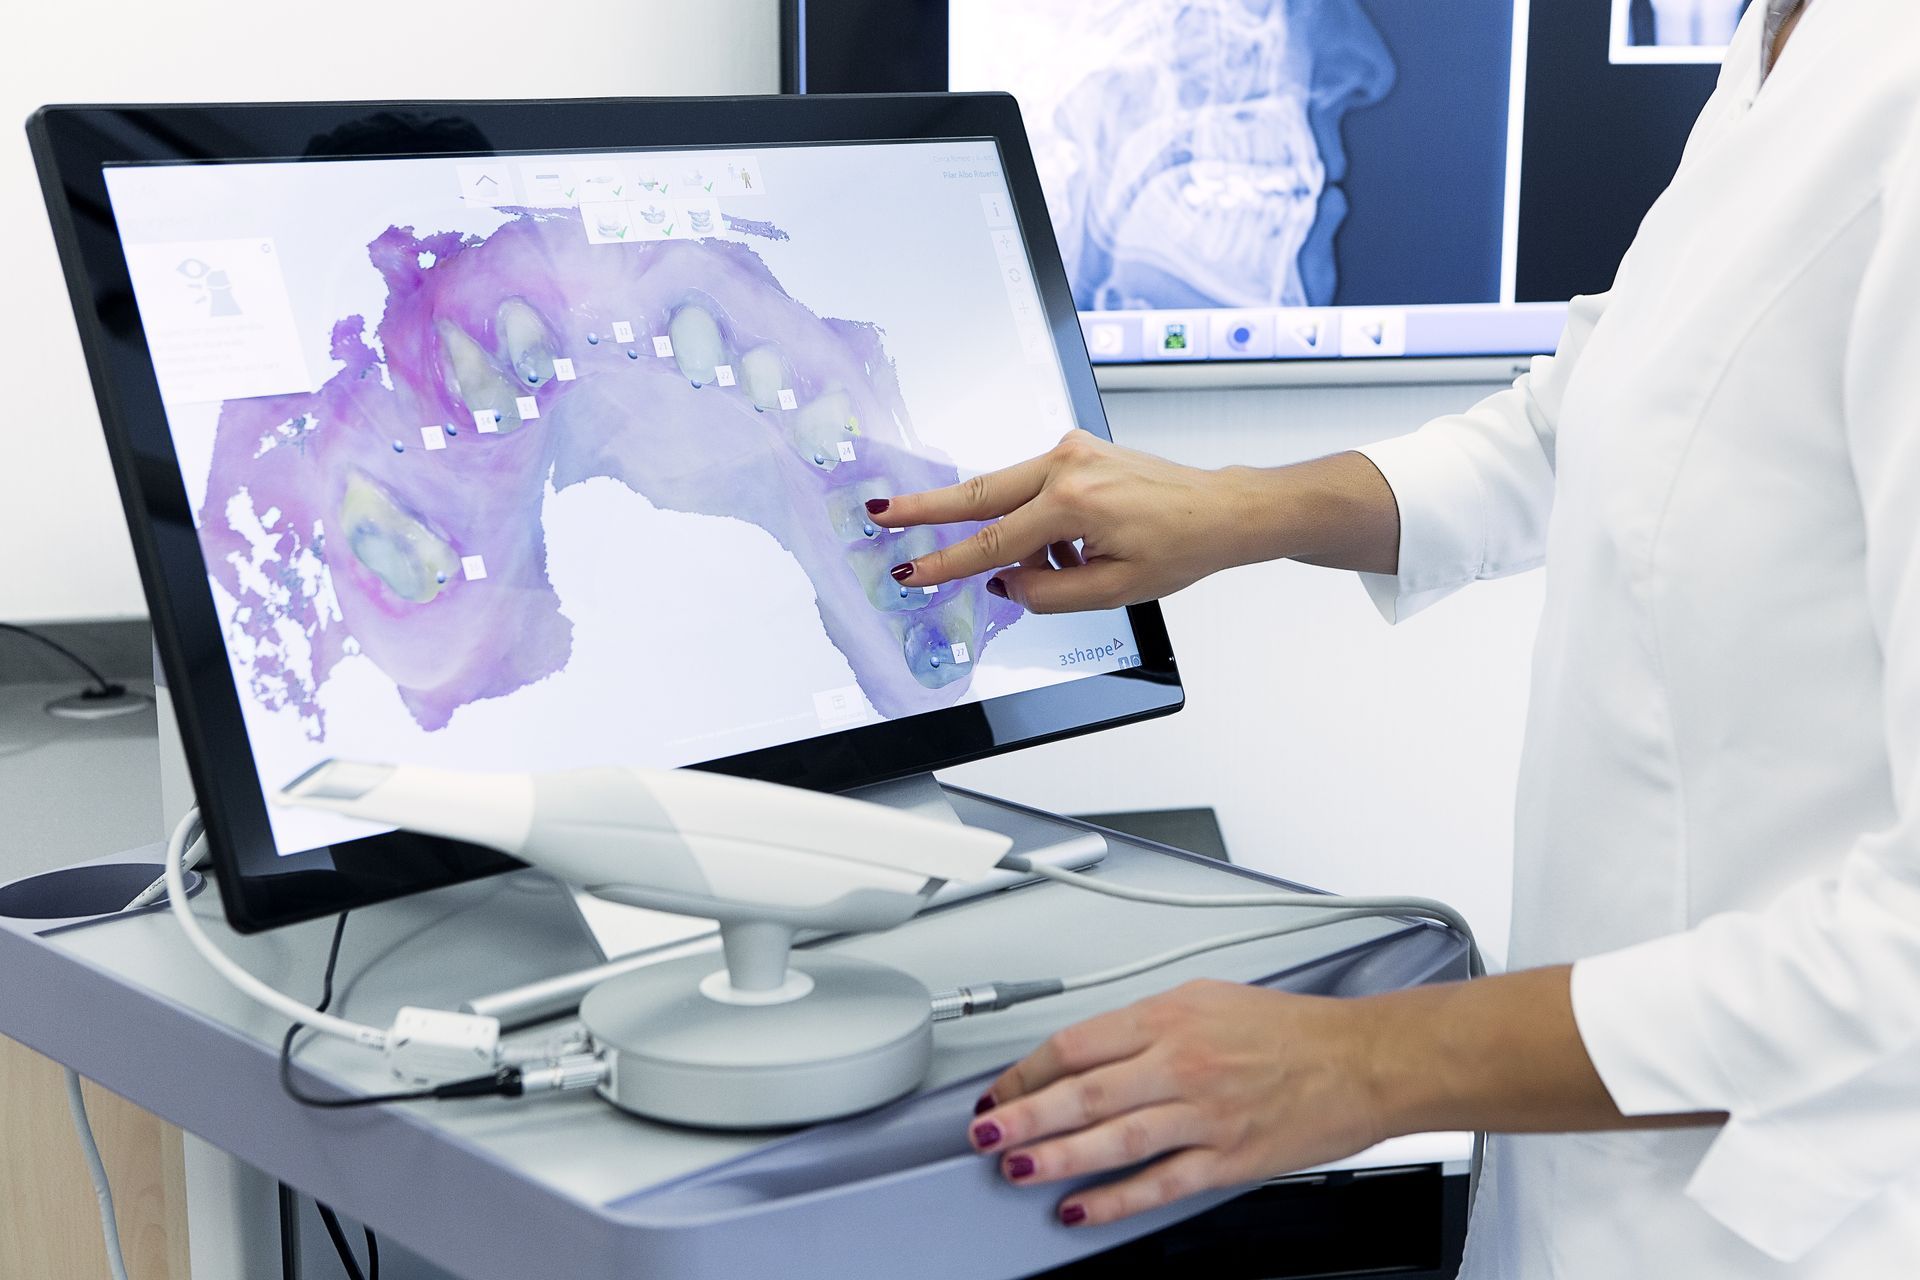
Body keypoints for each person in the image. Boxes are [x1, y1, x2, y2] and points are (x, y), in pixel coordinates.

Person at [869, 1, 1919, 1273]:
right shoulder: (1788, 39)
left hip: (1798, 1213)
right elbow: (1594, 413)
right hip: (1601, 1165)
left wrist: (1364, 1058)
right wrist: (1232, 510)